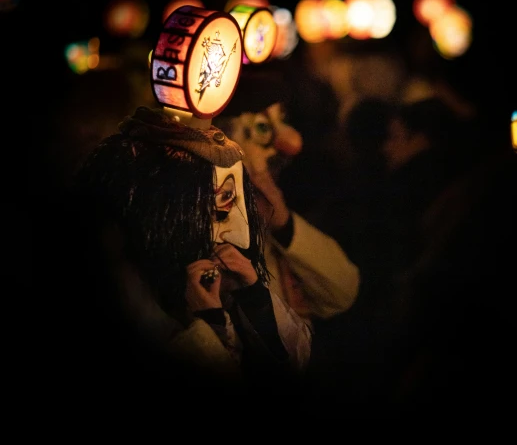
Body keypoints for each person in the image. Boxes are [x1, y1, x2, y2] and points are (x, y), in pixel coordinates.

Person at [67, 104, 312, 403]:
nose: (236, 231)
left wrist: (254, 298)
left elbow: (295, 370)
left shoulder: (225, 285)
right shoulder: (134, 300)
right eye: (216, 205)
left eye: (233, 200)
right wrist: (207, 326)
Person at [211, 65, 360, 336]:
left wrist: (285, 225)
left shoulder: (277, 220)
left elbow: (343, 291)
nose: (290, 142)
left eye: (282, 120)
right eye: (261, 128)